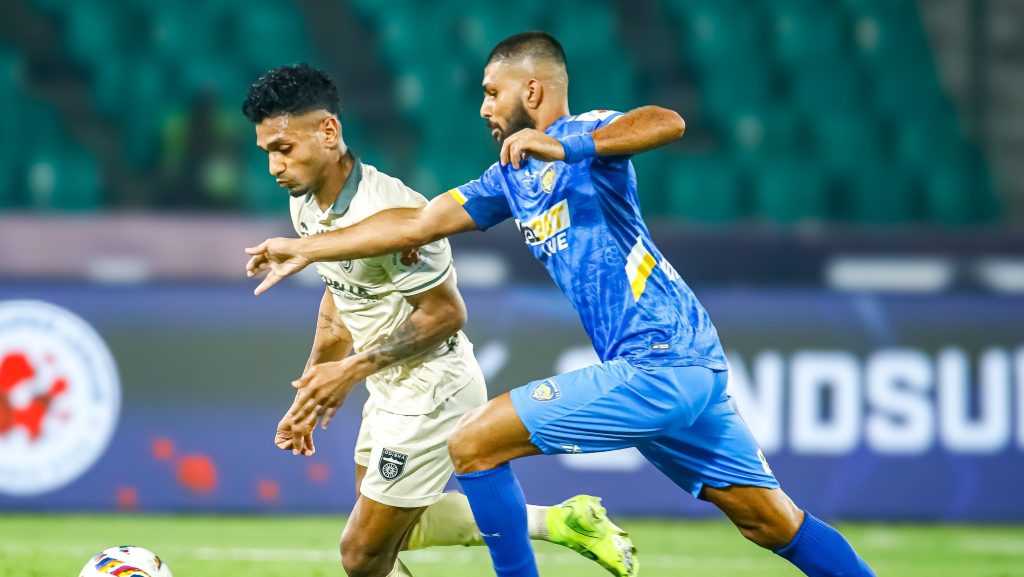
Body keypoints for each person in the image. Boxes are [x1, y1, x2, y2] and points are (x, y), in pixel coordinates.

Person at [245, 35, 876, 577]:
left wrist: (573, 148)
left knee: (475, 441)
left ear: (533, 89)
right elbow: (417, 223)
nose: (484, 108)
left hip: (662, 359)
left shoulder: (583, 133)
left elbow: (667, 122)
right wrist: (306, 248)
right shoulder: (509, 177)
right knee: (770, 522)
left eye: (493, 93)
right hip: (679, 367)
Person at [241, 63, 638, 577]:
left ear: (329, 132)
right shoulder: (309, 207)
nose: (274, 166)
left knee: (361, 554)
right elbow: (340, 300)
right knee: (394, 532)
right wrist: (312, 386)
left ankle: (555, 524)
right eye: (267, 152)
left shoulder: (394, 212)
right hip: (387, 384)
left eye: (284, 148)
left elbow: (446, 314)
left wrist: (349, 371)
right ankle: (561, 522)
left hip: (431, 387)